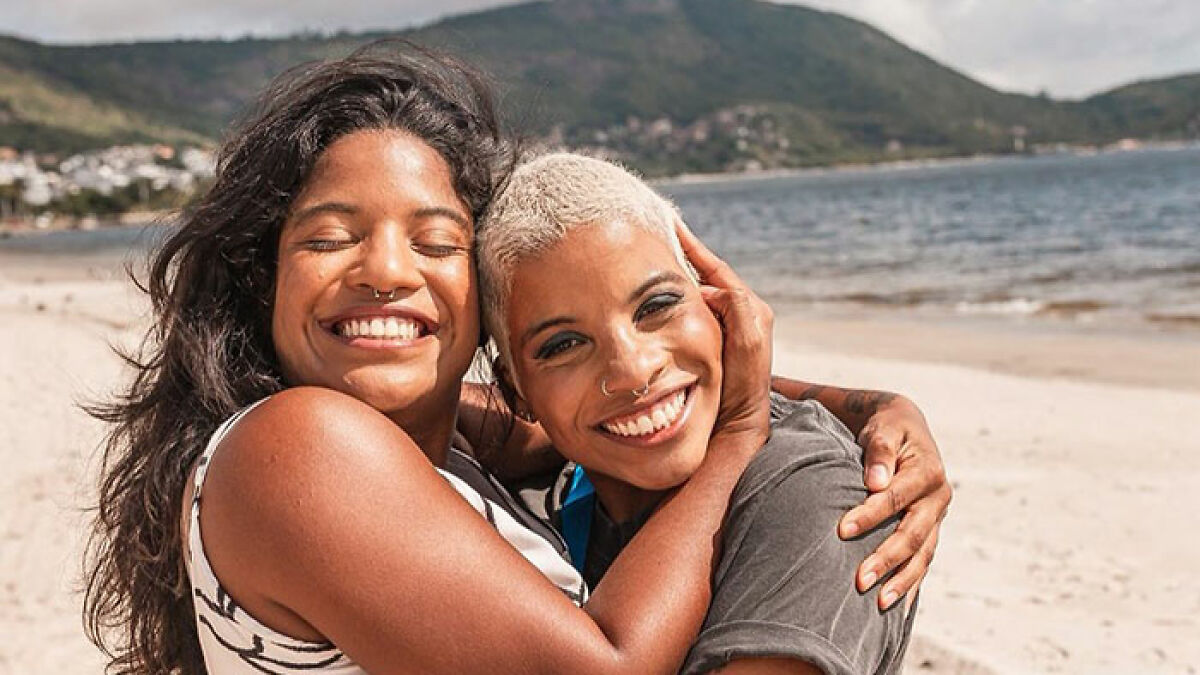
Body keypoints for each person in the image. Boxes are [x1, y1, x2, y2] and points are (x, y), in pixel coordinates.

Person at [83, 44, 950, 674]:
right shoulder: (303, 444)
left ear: (486, 318)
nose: (386, 271)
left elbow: (608, 392)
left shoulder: (438, 440)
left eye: (435, 240)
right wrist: (740, 431)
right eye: (331, 236)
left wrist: (870, 405)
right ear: (262, 273)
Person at [478, 153, 916, 674]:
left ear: (720, 308)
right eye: (564, 344)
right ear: (514, 388)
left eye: (657, 305)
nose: (633, 371)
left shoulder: (815, 490)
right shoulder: (535, 502)